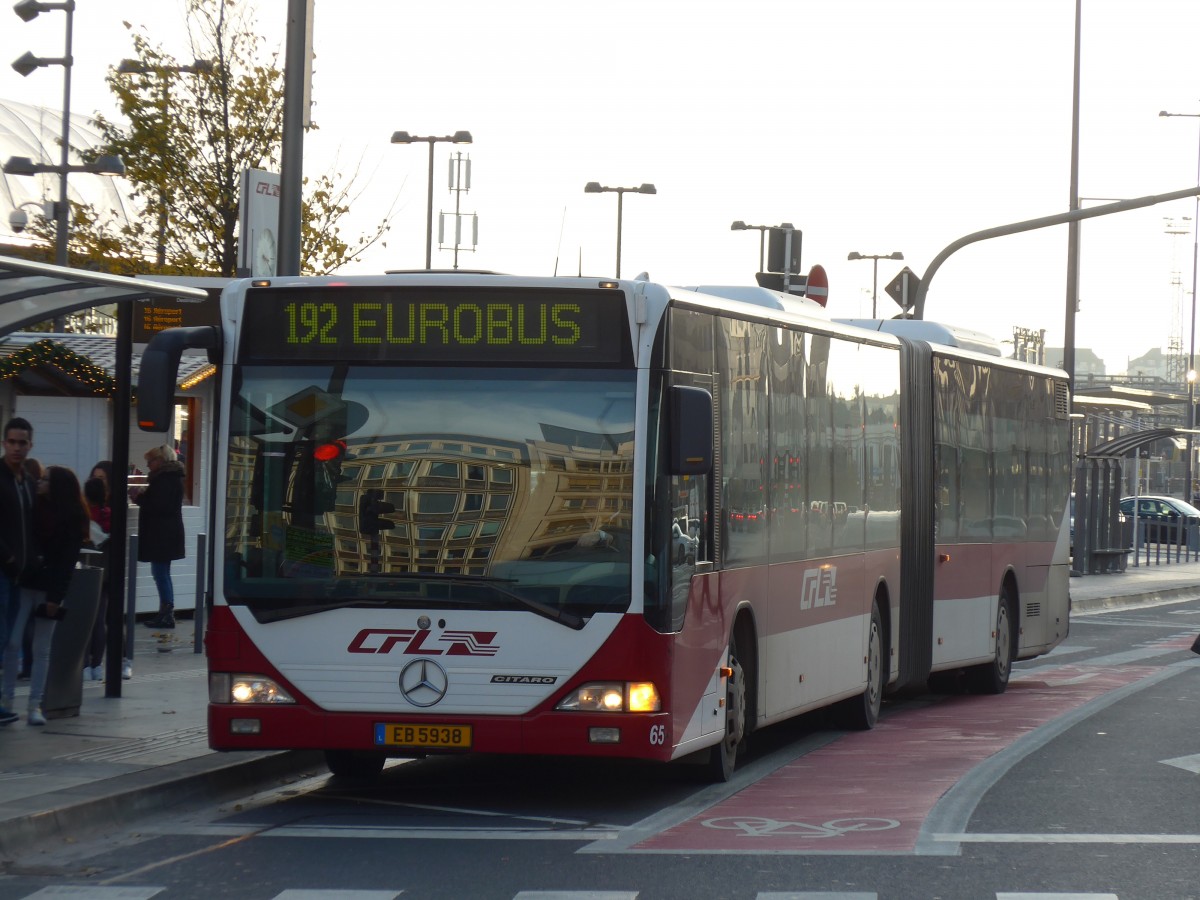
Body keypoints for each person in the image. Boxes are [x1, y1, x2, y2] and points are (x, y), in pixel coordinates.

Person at [3, 465, 90, 726]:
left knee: (40, 647)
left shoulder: (72, 518)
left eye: (45, 480)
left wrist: (55, 597)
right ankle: (8, 701)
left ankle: (34, 704)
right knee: (14, 643)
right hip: (27, 582)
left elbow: (66, 563)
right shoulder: (34, 508)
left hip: (45, 586)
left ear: (57, 486)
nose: (39, 483)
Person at [0, 418, 36, 726]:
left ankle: (4, 700)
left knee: (10, 637)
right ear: (4, 443)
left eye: (21, 442)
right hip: (4, 569)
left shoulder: (26, 481)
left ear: (29, 445)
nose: (16, 447)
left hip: (18, 573)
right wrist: (9, 558)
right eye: (12, 442)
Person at [131, 444, 185, 629]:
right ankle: (166, 611)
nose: (148, 465)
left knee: (160, 573)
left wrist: (139, 498)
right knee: (163, 573)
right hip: (168, 534)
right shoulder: (172, 478)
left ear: (160, 461)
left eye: (150, 461)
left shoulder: (163, 480)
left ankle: (166, 612)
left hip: (162, 534)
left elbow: (158, 506)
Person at [83, 476, 111, 681]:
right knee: (100, 620)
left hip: (86, 571)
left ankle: (83, 664)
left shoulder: (84, 515)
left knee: (84, 620)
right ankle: (97, 664)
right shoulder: (109, 514)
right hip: (106, 572)